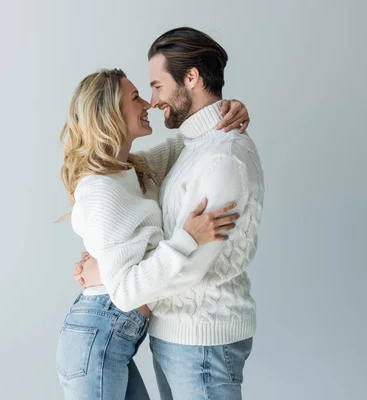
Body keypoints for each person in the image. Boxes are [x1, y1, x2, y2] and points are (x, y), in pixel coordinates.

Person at [74, 27, 265, 400]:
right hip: (176, 339)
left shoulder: (220, 159)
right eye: (142, 93)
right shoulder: (184, 152)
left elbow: (192, 265)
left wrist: (111, 278)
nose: (151, 100)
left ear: (191, 77)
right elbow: (127, 172)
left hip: (202, 345)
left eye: (157, 86)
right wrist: (106, 273)